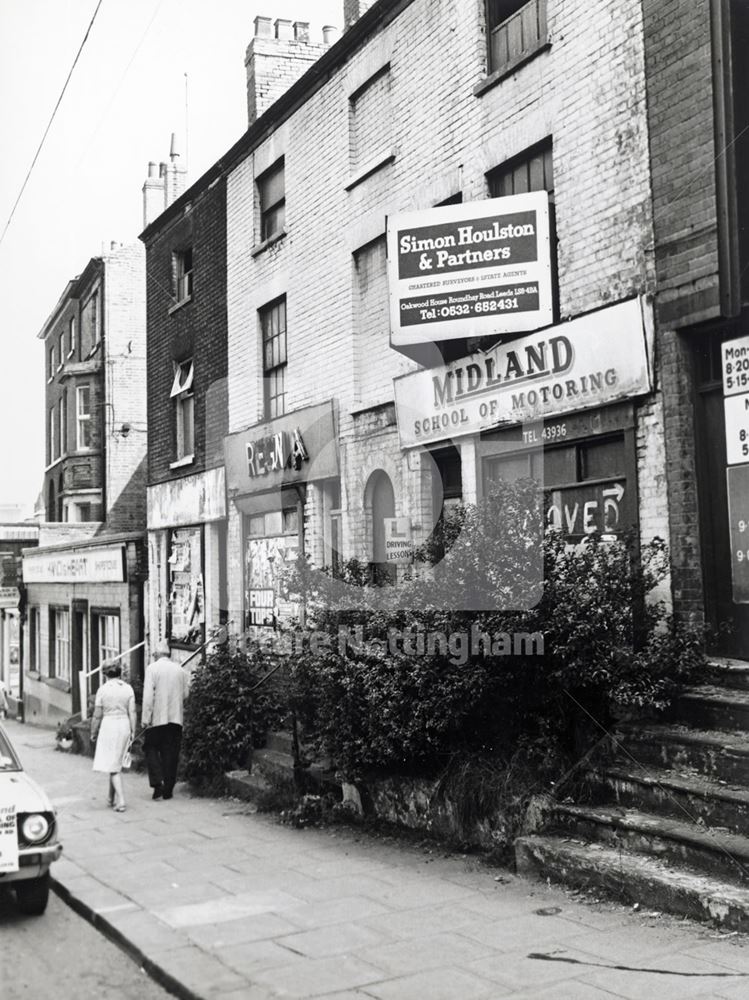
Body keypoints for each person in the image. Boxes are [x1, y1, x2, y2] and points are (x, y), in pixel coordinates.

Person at [142, 642, 189, 800]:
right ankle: (168, 788)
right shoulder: (181, 670)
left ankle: (157, 783)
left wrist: (145, 718)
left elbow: (148, 696)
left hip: (157, 718)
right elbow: (186, 694)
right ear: (168, 655)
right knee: (171, 752)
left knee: (150, 748)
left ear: (156, 654)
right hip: (175, 719)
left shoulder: (152, 669)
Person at [90, 662, 136, 812]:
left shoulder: (102, 690)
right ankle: (110, 798)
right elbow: (133, 711)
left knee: (113, 764)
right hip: (124, 725)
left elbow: (97, 715)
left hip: (109, 725)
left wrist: (93, 732)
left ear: (105, 674)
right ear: (120, 673)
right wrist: (133, 730)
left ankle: (121, 800)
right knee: (114, 762)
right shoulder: (128, 688)